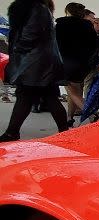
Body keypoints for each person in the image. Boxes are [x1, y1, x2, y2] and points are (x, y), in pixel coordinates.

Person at [1, 0, 68, 141]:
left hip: (34, 62)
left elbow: (30, 34)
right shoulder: (41, 9)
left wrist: (17, 49)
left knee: (26, 96)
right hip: (40, 63)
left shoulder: (36, 9)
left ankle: (12, 132)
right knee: (45, 97)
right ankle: (64, 131)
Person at [55, 2, 96, 127]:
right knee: (75, 90)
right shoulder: (88, 26)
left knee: (72, 92)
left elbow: (55, 45)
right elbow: (94, 44)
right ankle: (69, 117)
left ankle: (92, 114)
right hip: (83, 64)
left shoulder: (61, 25)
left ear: (67, 12)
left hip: (66, 63)